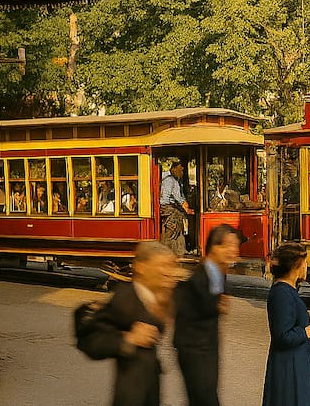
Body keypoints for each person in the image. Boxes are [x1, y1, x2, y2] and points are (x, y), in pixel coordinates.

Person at [79, 241, 179, 406]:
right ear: (141, 267)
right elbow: (90, 341)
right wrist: (128, 339)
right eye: (162, 266)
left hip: (149, 391)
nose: (168, 272)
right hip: (131, 396)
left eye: (170, 266)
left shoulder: (157, 295)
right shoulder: (123, 299)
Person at [175, 224, 240, 406]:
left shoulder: (219, 273)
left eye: (235, 245)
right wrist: (216, 306)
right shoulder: (198, 277)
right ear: (214, 247)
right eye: (228, 245)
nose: (234, 250)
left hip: (209, 349)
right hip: (195, 351)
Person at [262, 242, 310, 406]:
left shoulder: (288, 291)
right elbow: (282, 336)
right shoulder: (281, 293)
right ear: (296, 265)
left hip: (296, 363)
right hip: (288, 368)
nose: (307, 266)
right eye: (305, 262)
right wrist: (306, 332)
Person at [160, 160, 192, 256]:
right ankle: (165, 250)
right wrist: (186, 207)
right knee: (173, 225)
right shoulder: (170, 180)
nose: (181, 173)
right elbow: (178, 197)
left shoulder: (175, 181)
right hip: (166, 207)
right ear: (173, 169)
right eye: (180, 170)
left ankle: (180, 250)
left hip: (171, 206)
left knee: (180, 223)